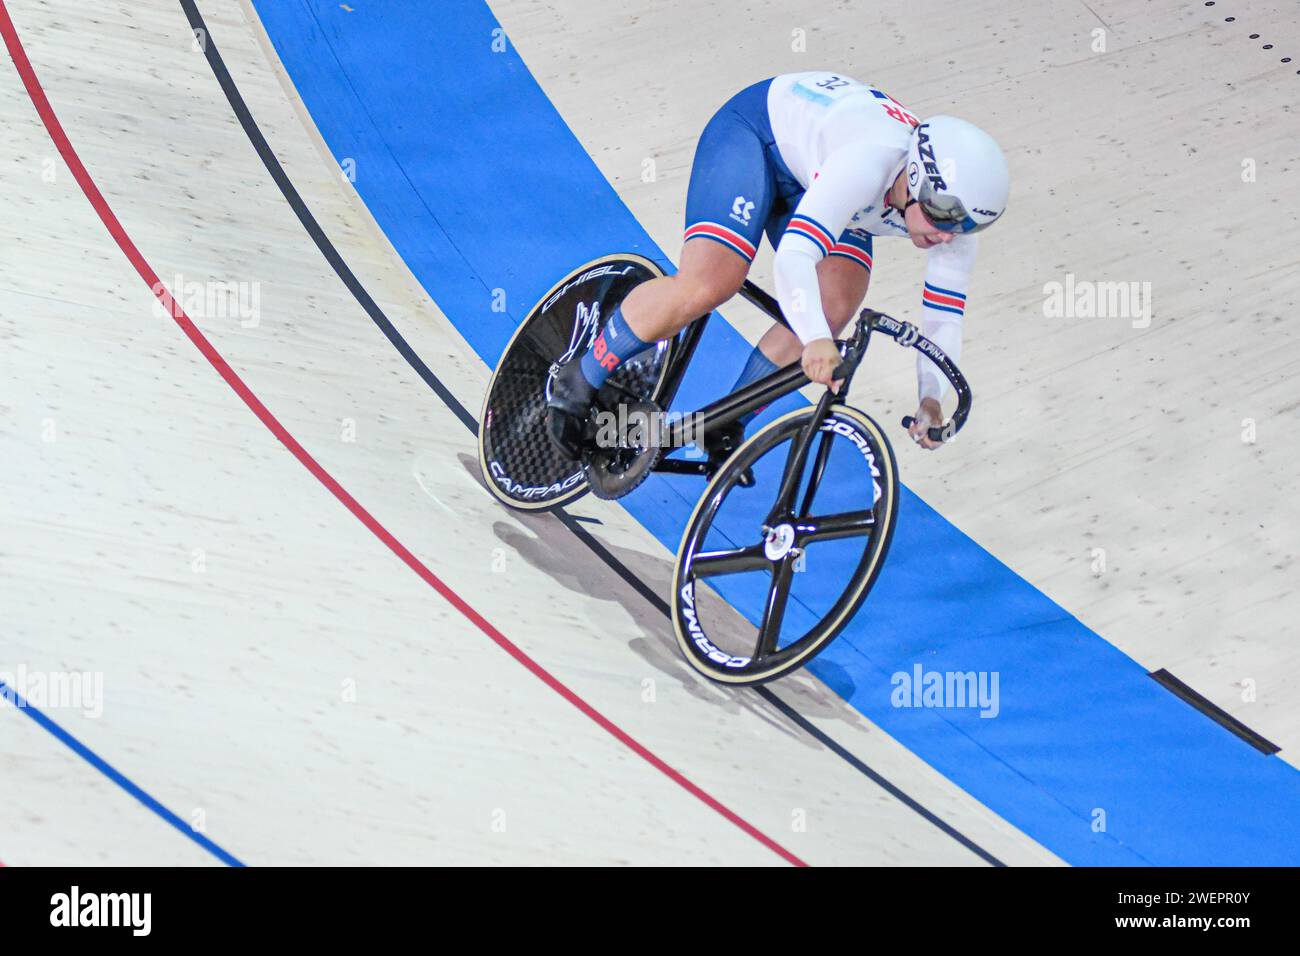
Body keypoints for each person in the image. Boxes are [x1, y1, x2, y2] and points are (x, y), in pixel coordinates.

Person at [546, 71, 1009, 460]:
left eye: (966, 226)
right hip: (756, 136)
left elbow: (944, 319)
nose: (948, 233)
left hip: (820, 179)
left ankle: (726, 419)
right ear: (914, 177)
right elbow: (794, 256)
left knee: (834, 304)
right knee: (713, 281)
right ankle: (581, 375)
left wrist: (931, 397)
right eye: (943, 215)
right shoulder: (868, 162)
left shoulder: (951, 223)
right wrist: (814, 342)